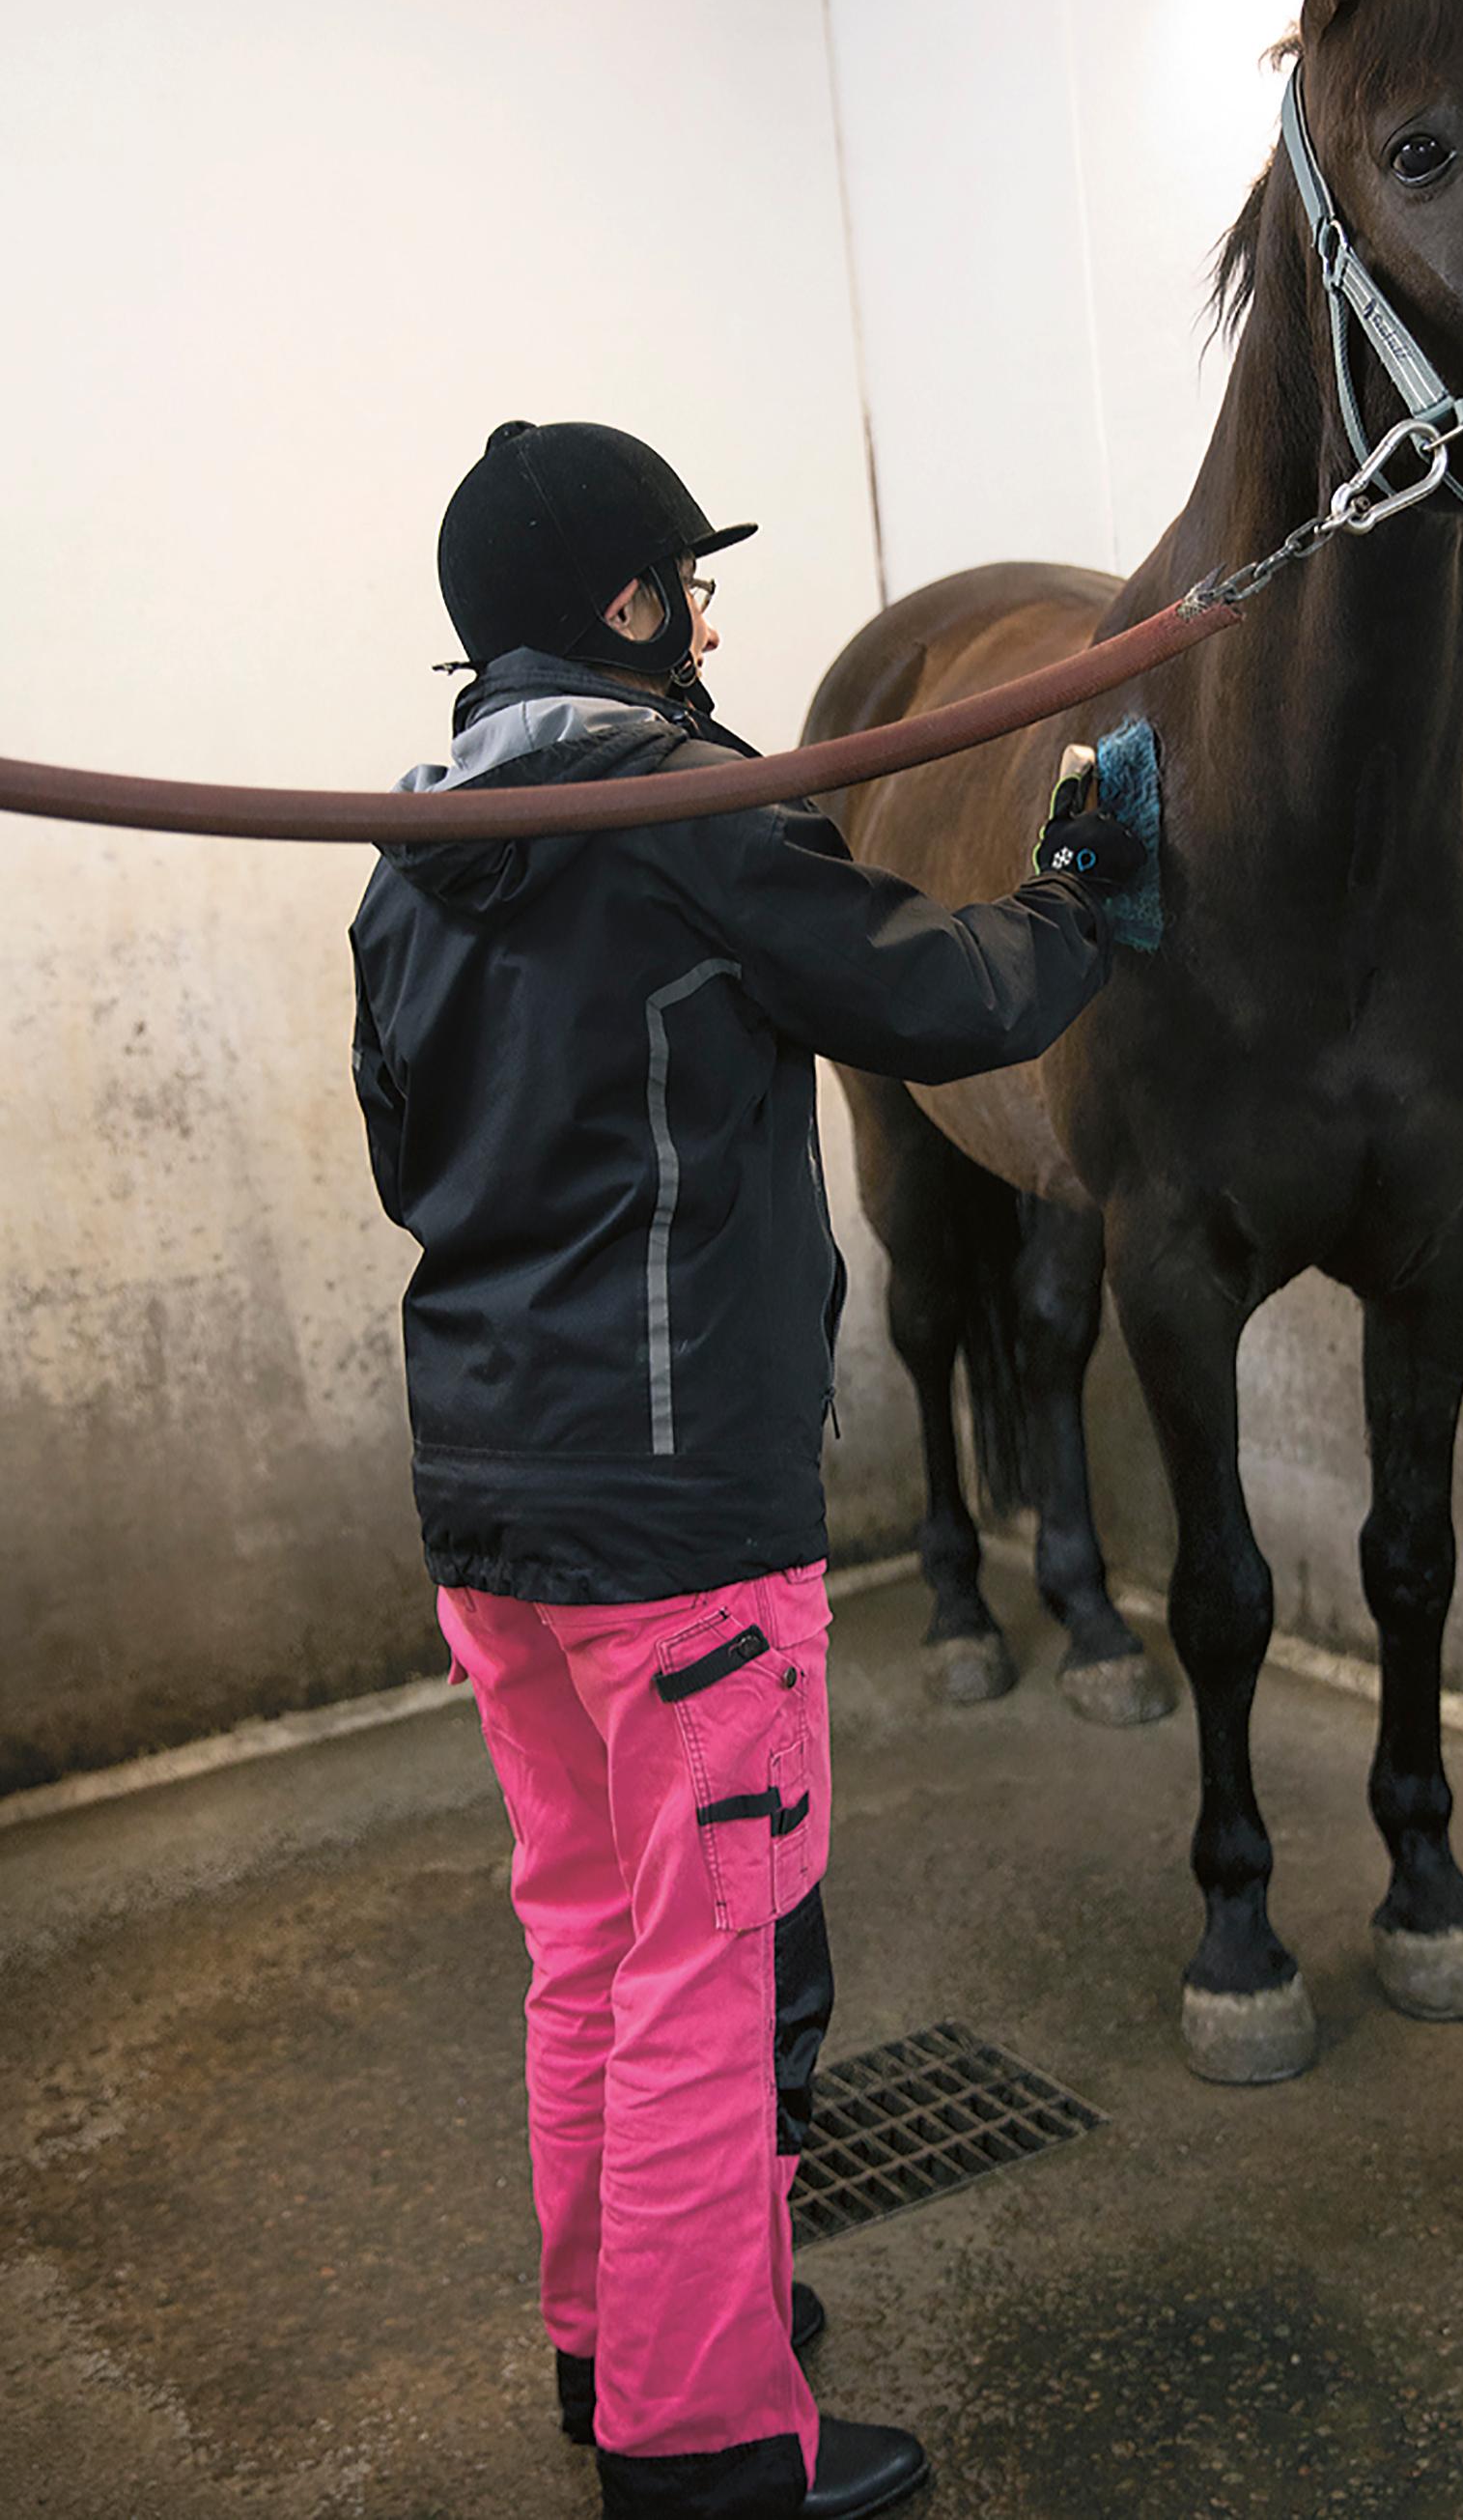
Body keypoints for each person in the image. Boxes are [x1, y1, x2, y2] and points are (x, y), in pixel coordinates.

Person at [348, 420, 1143, 2520]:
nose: (710, 615)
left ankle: (614, 2353)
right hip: (683, 1513)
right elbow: (930, 992)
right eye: (687, 580)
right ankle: (704, 2452)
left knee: (594, 1943)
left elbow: (404, 1156)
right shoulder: (685, 814)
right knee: (715, 1978)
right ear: (627, 607)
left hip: (494, 1506)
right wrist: (1082, 904)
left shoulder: (399, 851)